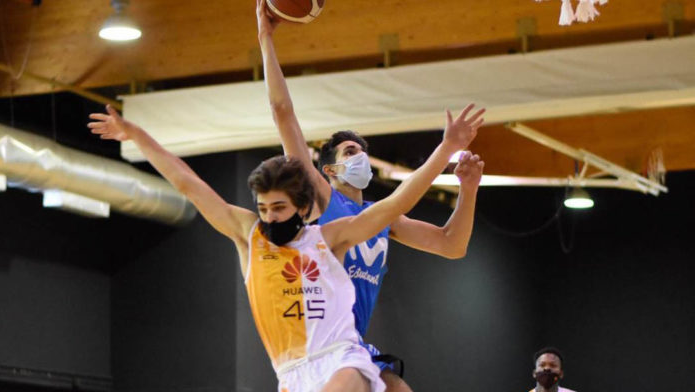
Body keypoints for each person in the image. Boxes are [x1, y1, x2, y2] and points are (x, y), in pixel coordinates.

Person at [87, 104, 484, 392]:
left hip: (342, 357)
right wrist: (137, 136)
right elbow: (188, 183)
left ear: (302, 207)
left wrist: (446, 148)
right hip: (291, 373)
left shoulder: (331, 237)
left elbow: (397, 203)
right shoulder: (248, 235)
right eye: (263, 208)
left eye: (279, 208)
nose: (270, 217)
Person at [256, 1, 485, 390]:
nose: (359, 155)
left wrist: (468, 191)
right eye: (349, 152)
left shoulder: (383, 219)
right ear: (327, 169)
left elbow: (452, 245)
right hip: (314, 346)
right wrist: (265, 39)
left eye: (361, 150)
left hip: (351, 344)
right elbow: (282, 112)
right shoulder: (322, 197)